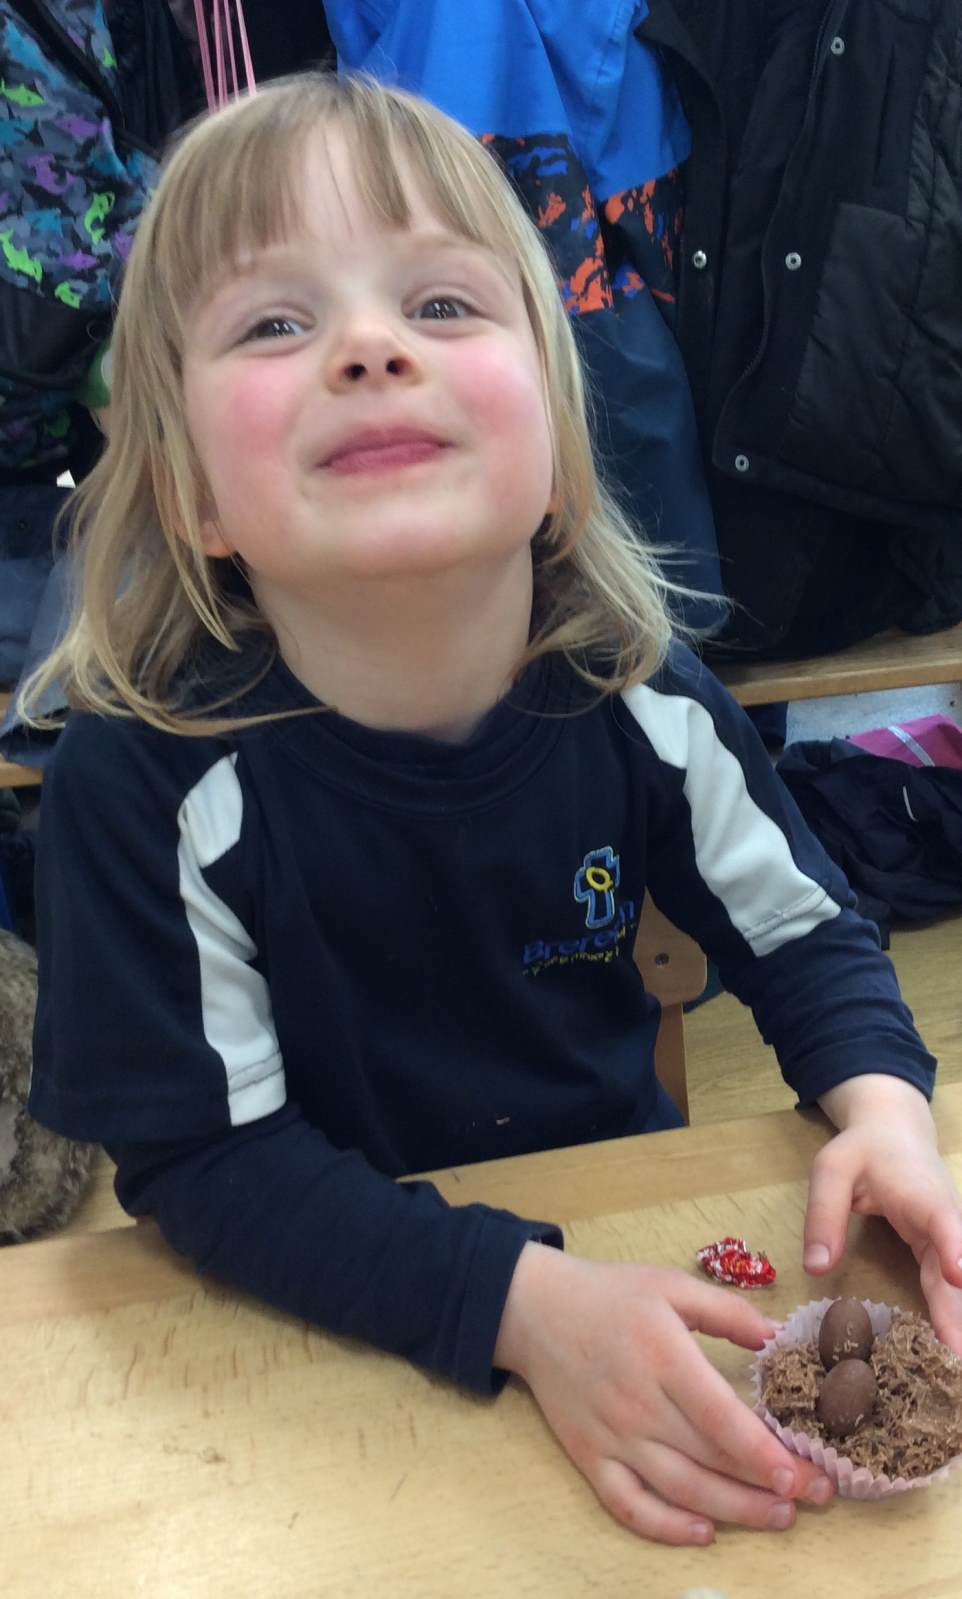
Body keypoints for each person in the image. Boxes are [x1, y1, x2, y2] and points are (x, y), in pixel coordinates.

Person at [22, 74, 962, 1549]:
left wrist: (887, 1112)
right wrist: (517, 1305)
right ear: (193, 490)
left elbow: (806, 937)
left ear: (556, 448)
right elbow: (204, 1165)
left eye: (444, 305)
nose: (370, 347)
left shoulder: (639, 694)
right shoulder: (140, 782)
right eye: (274, 324)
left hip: (622, 1246)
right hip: (318, 1329)